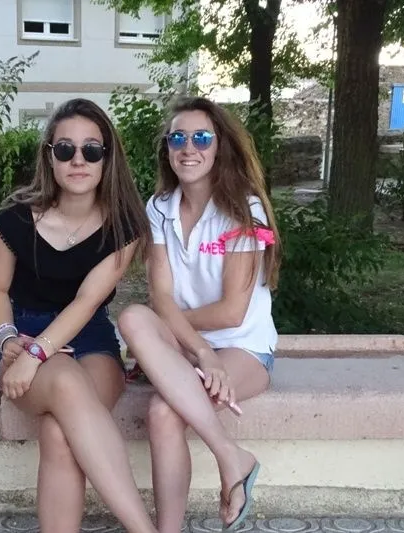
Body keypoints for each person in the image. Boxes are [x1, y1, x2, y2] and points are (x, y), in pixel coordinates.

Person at [0, 98, 159, 533]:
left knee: (59, 434)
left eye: (91, 150)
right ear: (50, 156)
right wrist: (9, 341)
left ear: (107, 158)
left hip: (91, 338)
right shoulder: (13, 221)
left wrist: (37, 355)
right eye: (65, 149)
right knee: (62, 380)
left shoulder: (125, 226)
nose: (78, 160)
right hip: (25, 335)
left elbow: (86, 302)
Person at [117, 96, 282, 532]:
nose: (188, 148)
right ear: (167, 148)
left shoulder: (246, 210)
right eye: (178, 138)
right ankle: (232, 457)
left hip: (244, 349)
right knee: (132, 317)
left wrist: (172, 334)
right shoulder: (159, 208)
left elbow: (232, 312)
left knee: (162, 411)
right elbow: (160, 297)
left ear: (219, 145)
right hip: (190, 349)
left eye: (202, 137)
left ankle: (223, 469)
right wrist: (199, 353)